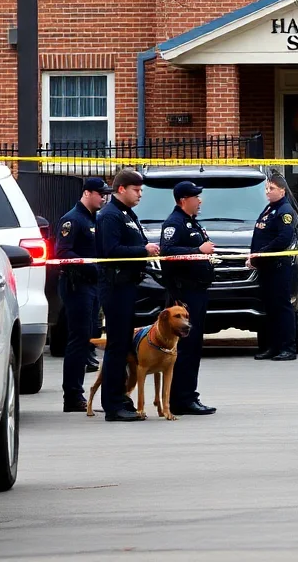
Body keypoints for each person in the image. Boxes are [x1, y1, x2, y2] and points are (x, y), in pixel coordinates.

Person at [95, 168, 160, 421]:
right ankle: (113, 404)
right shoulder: (110, 216)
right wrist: (142, 249)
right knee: (117, 346)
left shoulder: (126, 213)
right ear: (121, 189)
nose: (140, 194)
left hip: (128, 284)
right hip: (115, 285)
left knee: (123, 345)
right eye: (136, 189)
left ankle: (121, 396)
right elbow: (111, 250)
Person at [159, 180, 217, 415]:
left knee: (194, 346)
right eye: (196, 196)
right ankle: (181, 399)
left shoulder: (192, 223)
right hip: (184, 295)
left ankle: (189, 395)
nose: (199, 200)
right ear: (184, 200)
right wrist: (197, 251)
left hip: (197, 292)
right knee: (186, 347)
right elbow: (167, 252)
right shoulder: (174, 223)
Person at [54, 177, 111, 413]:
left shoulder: (93, 219)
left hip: (92, 286)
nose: (104, 198)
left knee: (86, 337)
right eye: (100, 193)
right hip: (77, 286)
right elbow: (64, 253)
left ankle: (76, 394)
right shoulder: (72, 220)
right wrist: (94, 267)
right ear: (87, 193)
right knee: (78, 340)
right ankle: (72, 396)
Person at [248, 173, 298, 362]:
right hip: (266, 268)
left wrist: (260, 254)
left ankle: (288, 348)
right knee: (270, 309)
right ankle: (273, 346)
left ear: (282, 190)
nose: (268, 192)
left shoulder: (285, 211)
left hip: (278, 267)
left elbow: (283, 239)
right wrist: (254, 257)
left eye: (272, 189)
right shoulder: (270, 209)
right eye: (267, 189)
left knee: (282, 308)